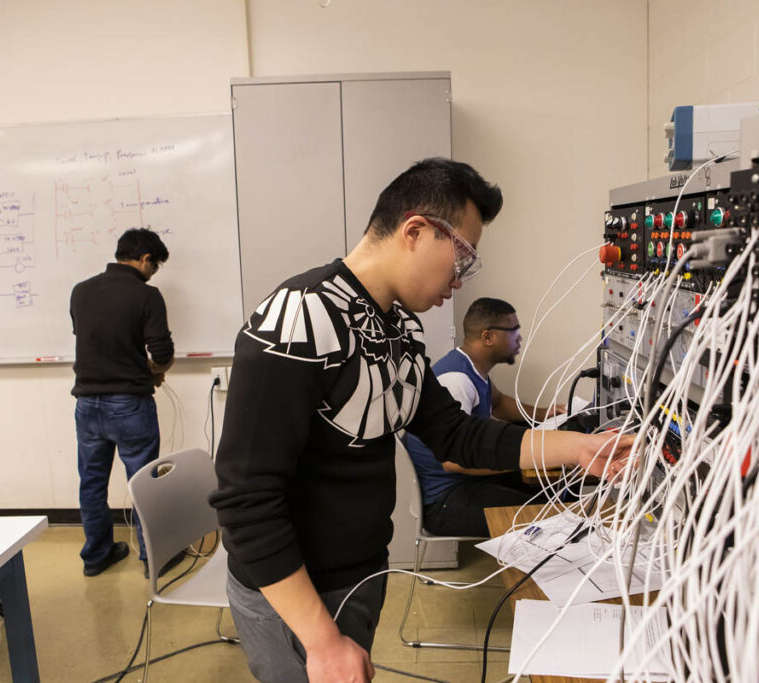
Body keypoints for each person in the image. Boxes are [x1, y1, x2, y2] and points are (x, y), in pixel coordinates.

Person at [209, 158, 634, 683]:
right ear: (415, 230)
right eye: (463, 257)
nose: (460, 280)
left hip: (359, 574)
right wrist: (321, 641)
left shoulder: (400, 330)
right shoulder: (298, 321)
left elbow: (456, 435)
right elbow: (246, 502)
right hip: (295, 593)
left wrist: (576, 448)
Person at [404, 297, 565, 538]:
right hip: (445, 500)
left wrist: (547, 413)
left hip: (462, 483)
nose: (519, 338)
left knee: (550, 491)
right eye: (513, 331)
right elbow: (454, 462)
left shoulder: (470, 366)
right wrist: (523, 460)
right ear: (488, 337)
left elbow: (498, 402)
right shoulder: (456, 381)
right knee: (543, 516)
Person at [70, 227, 173, 577]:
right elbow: (161, 352)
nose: (153, 272)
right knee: (143, 481)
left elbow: (91, 340)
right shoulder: (147, 295)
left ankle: (96, 556)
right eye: (154, 265)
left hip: (86, 405)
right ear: (145, 259)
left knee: (92, 482)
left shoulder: (80, 292)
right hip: (129, 405)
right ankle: (152, 561)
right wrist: (155, 371)